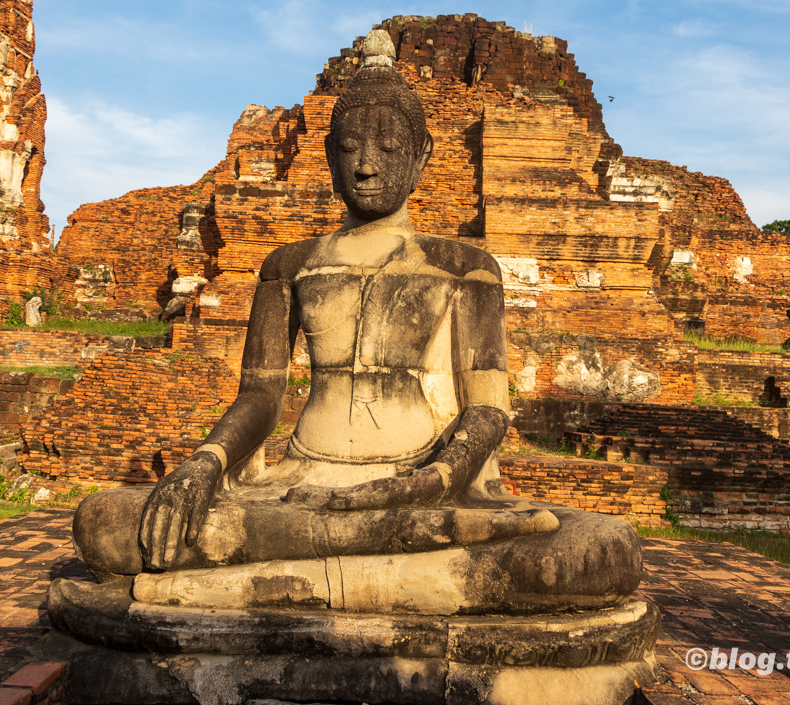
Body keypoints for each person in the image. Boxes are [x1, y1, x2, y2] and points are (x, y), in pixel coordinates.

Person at [55, 31, 641, 619]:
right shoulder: (290, 266)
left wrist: (429, 482)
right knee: (106, 523)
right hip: (303, 486)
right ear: (329, 154)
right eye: (351, 147)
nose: (366, 165)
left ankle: (262, 585)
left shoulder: (466, 268)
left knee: (602, 550)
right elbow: (261, 396)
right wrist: (204, 462)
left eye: (388, 146)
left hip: (424, 488)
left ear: (421, 155)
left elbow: (487, 410)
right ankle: (408, 584)